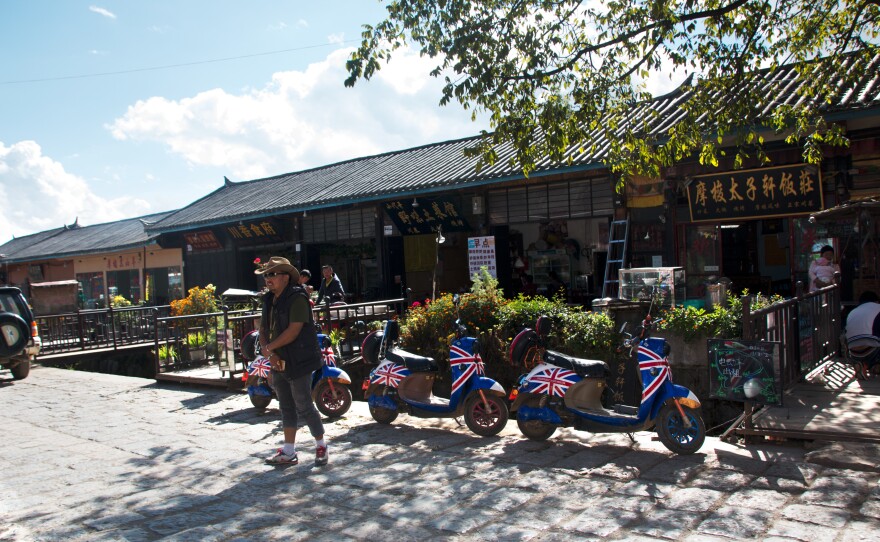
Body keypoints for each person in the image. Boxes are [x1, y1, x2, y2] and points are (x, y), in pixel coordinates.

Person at [255, 256, 328, 466]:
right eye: (266, 275)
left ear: (286, 277)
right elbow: (263, 329)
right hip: (278, 358)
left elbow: (294, 330)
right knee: (285, 404)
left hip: (300, 358)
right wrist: (270, 355)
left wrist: (270, 348)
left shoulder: (298, 298)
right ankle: (288, 451)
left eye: (272, 274)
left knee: (304, 403)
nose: (268, 279)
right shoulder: (269, 299)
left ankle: (321, 445)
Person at [845, 291, 880, 376]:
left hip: (853, 353)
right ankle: (876, 367)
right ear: (876, 301)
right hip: (872, 351)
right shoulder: (878, 308)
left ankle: (862, 365)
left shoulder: (853, 311)